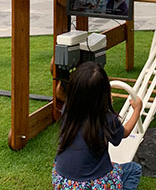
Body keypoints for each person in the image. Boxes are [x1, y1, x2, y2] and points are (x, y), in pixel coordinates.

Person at [52, 61, 143, 190]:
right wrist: (137, 110)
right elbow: (126, 132)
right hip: (94, 185)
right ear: (104, 93)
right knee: (134, 169)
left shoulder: (68, 110)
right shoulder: (106, 118)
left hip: (63, 182)